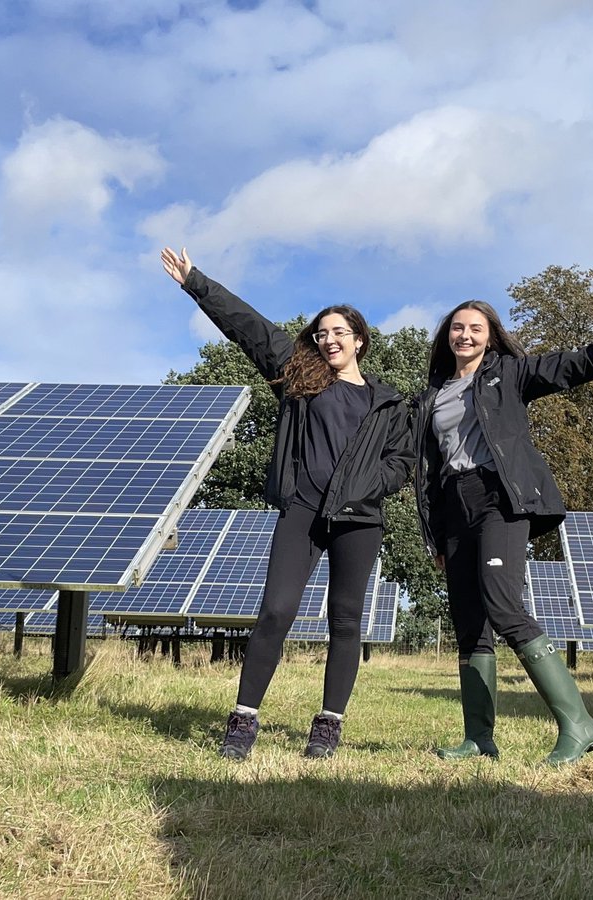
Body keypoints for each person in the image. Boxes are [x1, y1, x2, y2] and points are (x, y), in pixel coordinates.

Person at [162, 247, 414, 760]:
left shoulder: (387, 402)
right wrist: (196, 282)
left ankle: (328, 724)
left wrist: (369, 484)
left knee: (345, 619)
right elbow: (248, 327)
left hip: (359, 519)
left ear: (359, 341)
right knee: (276, 610)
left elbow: (401, 462)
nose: (329, 339)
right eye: (322, 333)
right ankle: (243, 719)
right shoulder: (300, 376)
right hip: (302, 508)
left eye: (340, 332)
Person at [414, 293, 593, 765]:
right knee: (469, 622)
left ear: (490, 335)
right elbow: (427, 471)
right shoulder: (433, 395)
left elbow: (577, 364)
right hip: (454, 509)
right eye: (457, 327)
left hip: (501, 500)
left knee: (503, 607)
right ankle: (479, 738)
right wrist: (434, 534)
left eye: (475, 328)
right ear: (447, 335)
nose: (465, 335)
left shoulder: (509, 375)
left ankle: (579, 725)